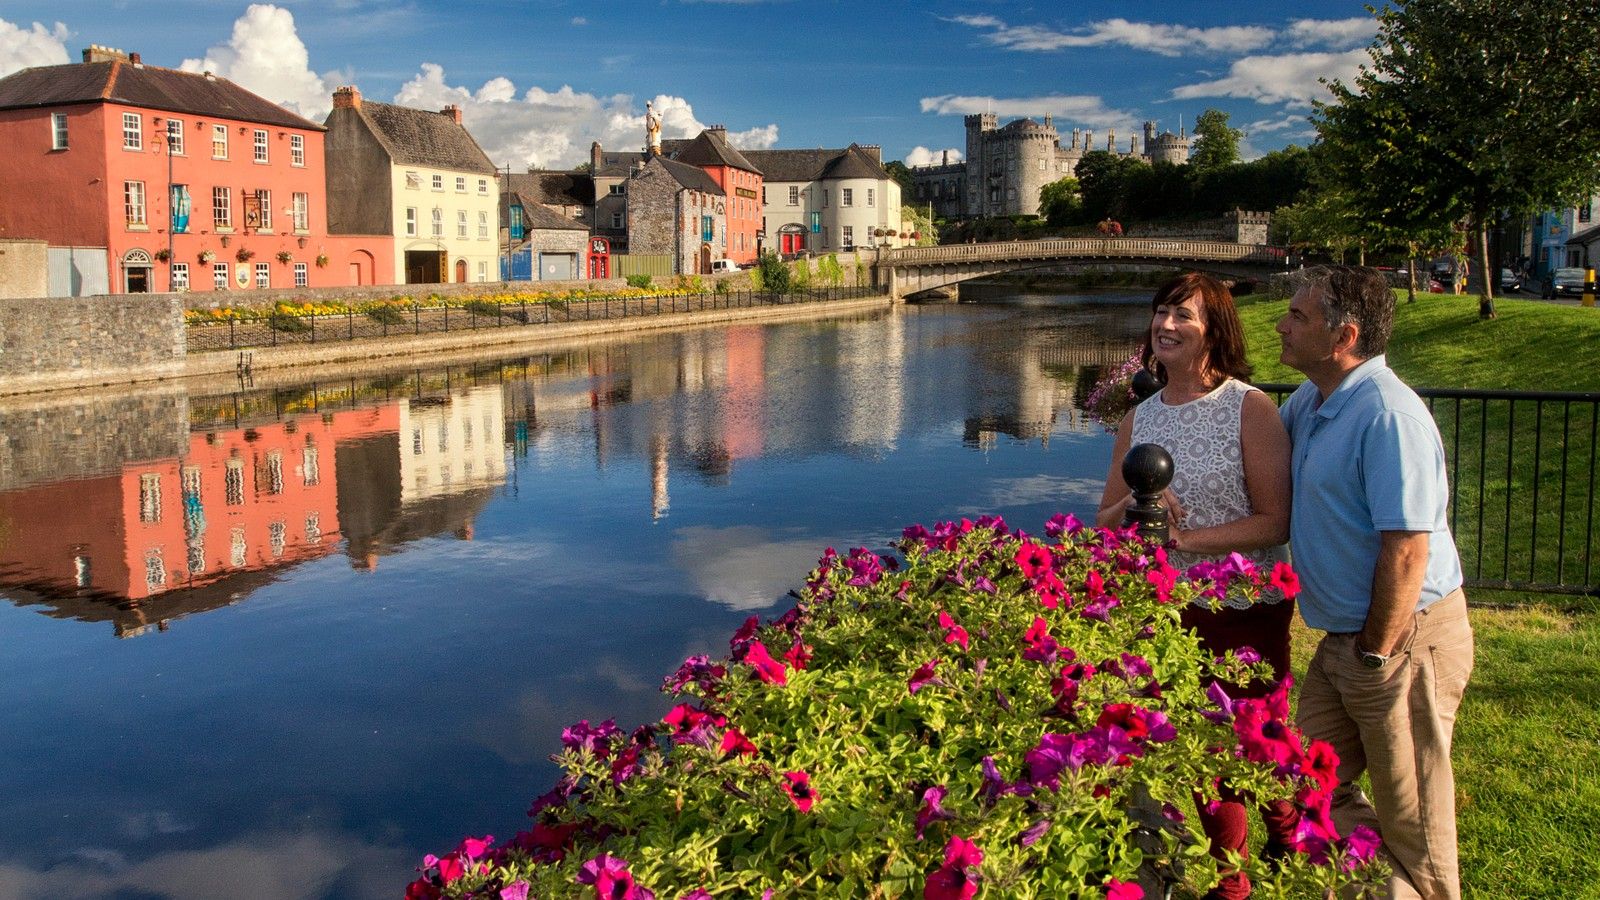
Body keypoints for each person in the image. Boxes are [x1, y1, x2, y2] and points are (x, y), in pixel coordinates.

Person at [1275, 265, 1473, 900]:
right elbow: (1253, 461)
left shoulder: (1388, 415)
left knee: (1414, 822)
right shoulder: (1313, 400)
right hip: (1346, 641)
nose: (1281, 324)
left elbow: (1408, 548)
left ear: (1345, 336)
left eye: (1298, 317)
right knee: (1298, 787)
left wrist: (1375, 652)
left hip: (1403, 641)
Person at [1097, 272, 1295, 900]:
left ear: (1216, 329)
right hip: (1168, 611)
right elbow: (1103, 524)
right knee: (1205, 750)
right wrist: (1141, 501)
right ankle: (1231, 879)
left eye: (1183, 314)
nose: (1166, 324)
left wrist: (1182, 541)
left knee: (1253, 742)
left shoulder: (1249, 407)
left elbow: (1274, 520)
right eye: (1160, 312)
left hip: (1242, 608)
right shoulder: (1141, 416)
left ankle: (1287, 837)